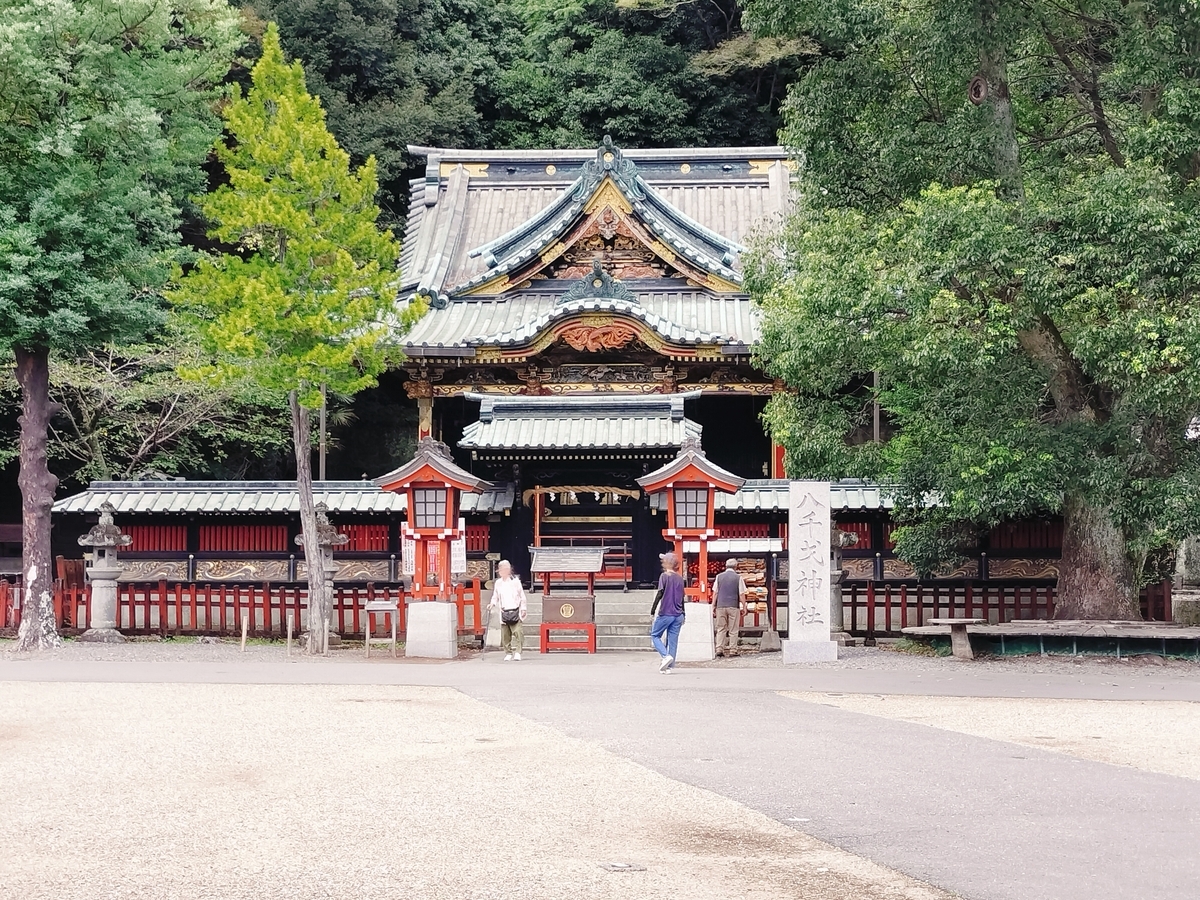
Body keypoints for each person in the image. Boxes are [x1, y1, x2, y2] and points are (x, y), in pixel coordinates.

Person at [649, 551, 686, 673]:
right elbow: (682, 598)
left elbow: (660, 593)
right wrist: (684, 614)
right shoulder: (680, 578)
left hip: (666, 612)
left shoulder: (664, 576)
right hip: (678, 614)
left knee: (655, 635)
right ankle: (669, 667)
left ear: (667, 563)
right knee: (673, 641)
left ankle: (665, 656)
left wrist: (653, 610)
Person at [489, 560, 527, 661]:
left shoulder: (515, 581)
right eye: (501, 569)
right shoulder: (498, 583)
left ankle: (518, 652)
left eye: (506, 569)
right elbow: (495, 596)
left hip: (515, 610)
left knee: (518, 632)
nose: (503, 571)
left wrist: (523, 608)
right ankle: (508, 652)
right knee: (505, 635)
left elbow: (522, 596)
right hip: (504, 611)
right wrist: (492, 603)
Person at [711, 557, 748, 657]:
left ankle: (719, 649)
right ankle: (733, 650)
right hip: (733, 606)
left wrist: (713, 605)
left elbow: (715, 593)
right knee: (733, 629)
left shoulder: (719, 577)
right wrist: (744, 606)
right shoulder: (738, 578)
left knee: (721, 628)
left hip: (720, 606)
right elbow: (741, 594)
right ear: (736, 567)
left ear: (726, 566)